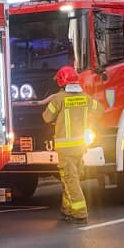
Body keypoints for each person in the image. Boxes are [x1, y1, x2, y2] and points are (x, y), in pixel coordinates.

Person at [41, 65, 91, 224]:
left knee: (70, 180)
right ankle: (66, 210)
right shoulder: (85, 97)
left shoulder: (58, 99)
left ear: (61, 81)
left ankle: (80, 214)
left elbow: (46, 117)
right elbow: (100, 109)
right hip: (80, 148)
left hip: (66, 150)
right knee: (69, 180)